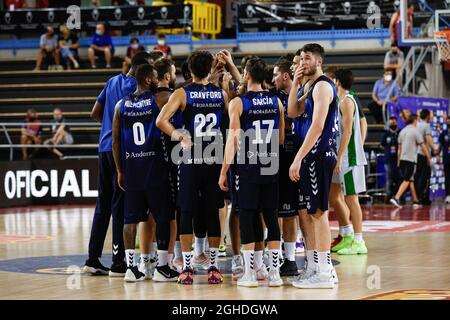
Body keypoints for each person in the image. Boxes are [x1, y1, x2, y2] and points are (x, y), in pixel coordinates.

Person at [156, 50, 229, 285]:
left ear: (188, 69)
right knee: (212, 212)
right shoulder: (221, 94)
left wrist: (178, 135)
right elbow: (230, 123)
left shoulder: (181, 93)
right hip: (214, 158)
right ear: (210, 69)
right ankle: (214, 266)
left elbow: (160, 121)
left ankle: (186, 267)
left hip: (189, 158)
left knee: (186, 212)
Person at [83, 51, 152, 277]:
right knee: (120, 206)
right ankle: (118, 262)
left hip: (103, 149)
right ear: (143, 69)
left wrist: (107, 127)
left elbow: (94, 112)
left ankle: (92, 259)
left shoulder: (112, 80)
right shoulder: (135, 87)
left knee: (102, 205)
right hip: (120, 152)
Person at [219, 57, 285, 287]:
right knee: (270, 216)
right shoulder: (276, 102)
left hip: (247, 166)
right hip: (271, 163)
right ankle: (274, 273)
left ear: (246, 75)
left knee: (247, 216)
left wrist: (224, 169)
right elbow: (282, 137)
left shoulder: (238, 103)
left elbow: (233, 140)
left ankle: (249, 274)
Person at [111, 64, 179, 282]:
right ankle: (162, 267)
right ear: (149, 80)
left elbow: (115, 141)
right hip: (155, 169)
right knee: (163, 216)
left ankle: (131, 268)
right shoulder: (158, 100)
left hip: (131, 170)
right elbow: (182, 94)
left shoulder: (121, 105)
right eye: (156, 78)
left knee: (130, 219)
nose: (159, 81)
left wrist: (120, 170)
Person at [288, 43, 338, 289]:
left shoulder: (321, 86)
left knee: (318, 214)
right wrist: (296, 83)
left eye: (307, 58)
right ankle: (319, 268)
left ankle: (324, 272)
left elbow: (317, 126)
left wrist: (298, 157)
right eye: (300, 59)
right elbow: (292, 112)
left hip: (317, 155)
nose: (302, 62)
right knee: (313, 213)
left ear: (319, 61)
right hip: (312, 156)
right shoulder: (309, 86)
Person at [329, 69, 368, 256]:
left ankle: (359, 241)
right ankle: (348, 236)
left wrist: (340, 157)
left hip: (349, 158)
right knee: (335, 195)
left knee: (352, 198)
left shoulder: (347, 101)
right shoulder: (341, 100)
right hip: (343, 156)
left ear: (337, 81)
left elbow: (348, 132)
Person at [271, 58, 299, 277]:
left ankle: (290, 259)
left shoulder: (302, 94)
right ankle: (275, 255)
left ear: (285, 76)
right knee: (271, 208)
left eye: (276, 75)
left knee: (292, 212)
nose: (273, 80)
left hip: (294, 155)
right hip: (273, 156)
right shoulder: (271, 96)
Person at [153, 58, 182, 272]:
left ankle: (147, 260)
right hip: (167, 159)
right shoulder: (167, 97)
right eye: (173, 72)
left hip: (144, 160)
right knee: (170, 214)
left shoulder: (140, 98)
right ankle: (167, 261)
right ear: (166, 76)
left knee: (147, 216)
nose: (175, 75)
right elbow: (184, 92)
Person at [390, 114, 432, 209]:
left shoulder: (402, 131)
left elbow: (399, 149)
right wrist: (429, 158)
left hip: (402, 159)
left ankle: (416, 200)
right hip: (410, 159)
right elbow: (423, 146)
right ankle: (396, 197)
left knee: (411, 180)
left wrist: (398, 161)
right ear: (415, 120)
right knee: (407, 179)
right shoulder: (415, 131)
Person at [414, 109, 437, 205]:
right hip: (424, 154)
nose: (432, 116)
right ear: (427, 116)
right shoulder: (427, 126)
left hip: (416, 154)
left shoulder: (417, 125)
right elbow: (428, 140)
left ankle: (417, 197)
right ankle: (423, 198)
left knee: (418, 176)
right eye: (431, 114)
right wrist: (435, 150)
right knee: (425, 177)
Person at [381, 116, 401, 199]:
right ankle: (389, 196)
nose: (393, 123)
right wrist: (387, 150)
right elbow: (382, 145)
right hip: (388, 160)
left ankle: (398, 196)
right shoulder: (386, 134)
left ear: (397, 123)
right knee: (389, 179)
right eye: (391, 122)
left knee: (398, 179)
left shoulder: (400, 133)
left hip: (398, 160)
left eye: (394, 122)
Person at [438, 116, 450, 204]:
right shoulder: (444, 133)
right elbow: (440, 145)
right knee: (447, 178)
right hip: (447, 159)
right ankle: (448, 195)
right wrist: (437, 154)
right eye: (448, 121)